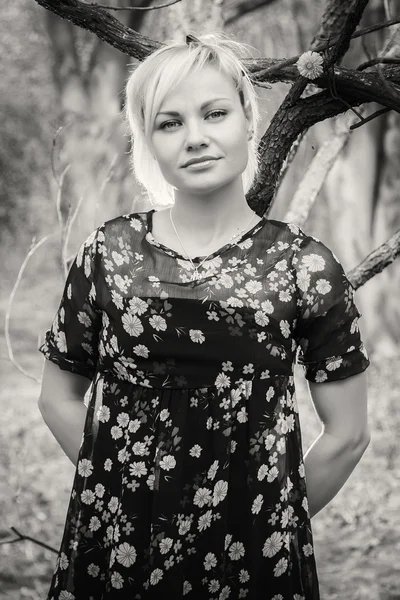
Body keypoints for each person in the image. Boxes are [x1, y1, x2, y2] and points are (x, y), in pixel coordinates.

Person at [38, 32, 370, 600]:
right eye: (169, 124)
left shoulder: (305, 266)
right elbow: (58, 395)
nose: (195, 138)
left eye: (214, 114)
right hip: (117, 546)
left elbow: (348, 433)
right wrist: (121, 494)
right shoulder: (109, 253)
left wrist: (263, 521)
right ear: (149, 142)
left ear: (247, 118)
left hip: (254, 557)